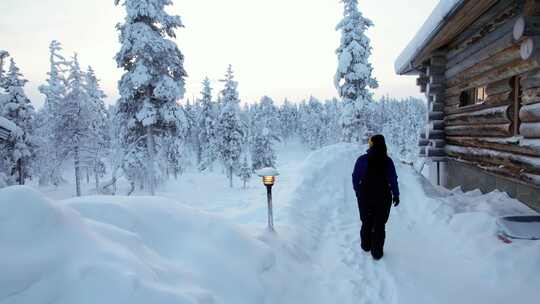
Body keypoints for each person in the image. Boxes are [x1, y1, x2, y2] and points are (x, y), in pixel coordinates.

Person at [352, 134, 399, 260]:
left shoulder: (362, 160)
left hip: (365, 196)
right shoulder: (388, 161)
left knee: (366, 221)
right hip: (383, 197)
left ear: (371, 145)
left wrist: (357, 191)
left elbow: (355, 177)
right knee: (379, 224)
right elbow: (393, 179)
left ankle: (366, 246)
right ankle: (377, 253)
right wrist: (396, 194)